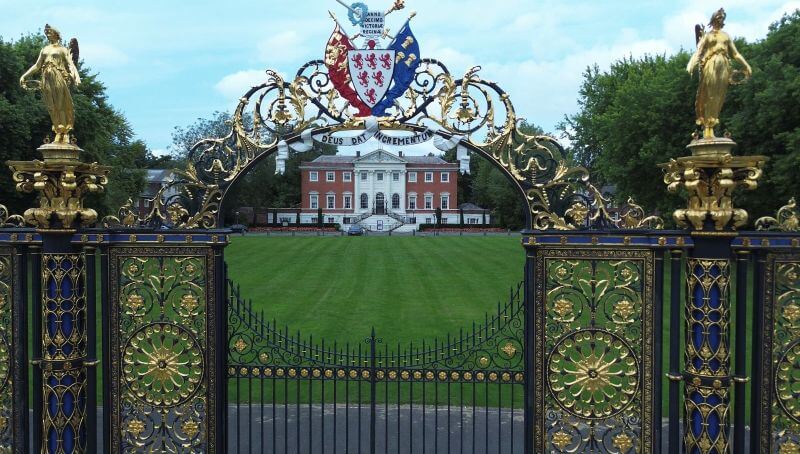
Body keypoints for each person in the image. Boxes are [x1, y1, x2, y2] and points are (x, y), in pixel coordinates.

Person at [686, 8, 752, 139]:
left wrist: (746, 65)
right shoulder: (708, 36)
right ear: (713, 19)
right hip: (711, 64)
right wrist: (691, 64)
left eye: (722, 18)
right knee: (709, 94)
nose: (720, 19)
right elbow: (699, 51)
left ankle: (712, 121)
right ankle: (707, 126)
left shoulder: (726, 36)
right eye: (718, 17)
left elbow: (735, 54)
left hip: (724, 65)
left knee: (719, 96)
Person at [19, 24, 81, 144]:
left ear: (56, 34)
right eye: (46, 32)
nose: (47, 34)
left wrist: (75, 76)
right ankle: (58, 129)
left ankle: (64, 131)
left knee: (60, 104)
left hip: (58, 76)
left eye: (49, 32)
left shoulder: (62, 49)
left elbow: (70, 63)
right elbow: (37, 66)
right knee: (50, 105)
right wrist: (24, 75)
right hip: (46, 77)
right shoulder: (45, 49)